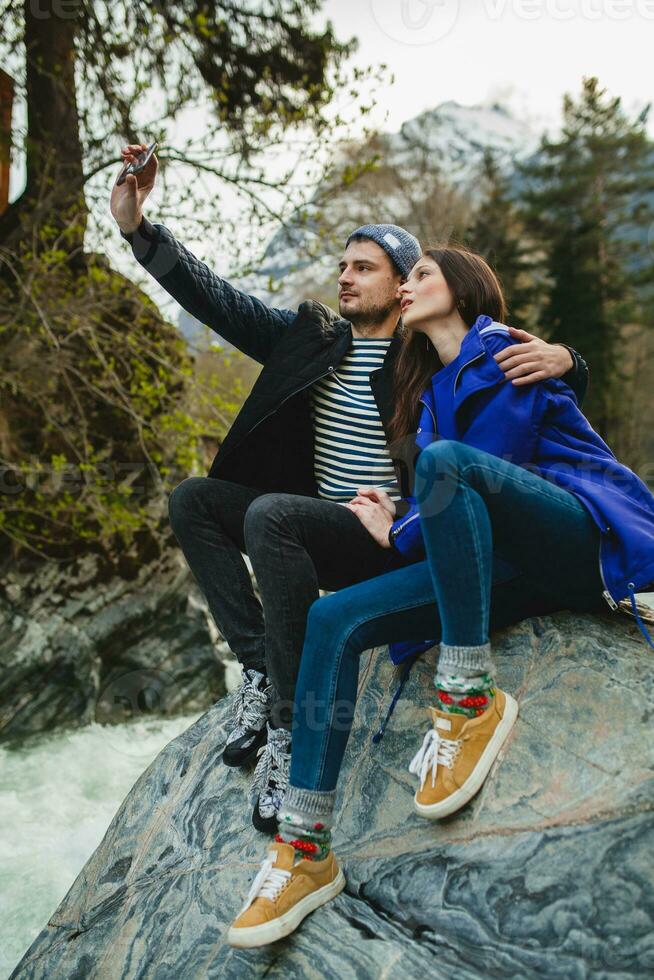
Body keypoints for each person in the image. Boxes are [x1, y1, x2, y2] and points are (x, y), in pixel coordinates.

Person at [111, 144, 587, 832]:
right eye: (341, 266)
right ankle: (262, 671)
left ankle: (288, 735)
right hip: (315, 527)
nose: (345, 277)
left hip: (393, 537)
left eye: (363, 267)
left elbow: (528, 380)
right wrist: (136, 229)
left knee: (272, 515)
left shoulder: (425, 350)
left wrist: (572, 359)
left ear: (402, 285)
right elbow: (213, 298)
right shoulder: (309, 337)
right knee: (193, 500)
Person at [226, 244, 654, 949]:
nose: (408, 286)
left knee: (448, 464)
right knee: (332, 617)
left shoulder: (503, 352)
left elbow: (492, 469)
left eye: (422, 274)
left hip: (579, 536)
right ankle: (303, 848)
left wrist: (402, 527)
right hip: (500, 564)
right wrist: (398, 524)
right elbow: (448, 516)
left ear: (466, 288)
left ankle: (467, 700)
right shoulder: (428, 397)